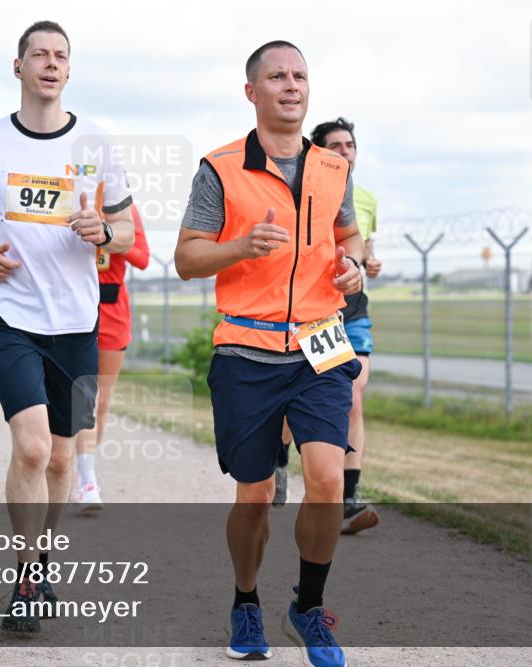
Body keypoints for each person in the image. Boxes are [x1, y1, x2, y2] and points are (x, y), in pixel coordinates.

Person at [0, 20, 134, 634]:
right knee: (32, 445)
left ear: (69, 71)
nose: (50, 64)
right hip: (9, 311)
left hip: (76, 319)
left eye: (61, 56)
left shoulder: (98, 143)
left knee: (61, 458)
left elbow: (126, 230)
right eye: (39, 55)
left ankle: (42, 555)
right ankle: (24, 576)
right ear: (17, 67)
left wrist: (103, 232)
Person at [174, 41, 363, 665]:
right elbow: (186, 259)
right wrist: (240, 247)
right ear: (251, 91)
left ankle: (308, 609)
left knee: (329, 480)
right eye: (277, 76)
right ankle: (246, 602)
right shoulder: (220, 168)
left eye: (301, 76)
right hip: (246, 347)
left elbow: (348, 234)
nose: (292, 85)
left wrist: (354, 266)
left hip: (321, 339)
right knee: (254, 493)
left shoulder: (333, 168)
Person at [271, 118, 383, 537]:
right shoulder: (303, 190)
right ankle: (280, 458)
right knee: (290, 400)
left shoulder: (366, 198)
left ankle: (348, 496)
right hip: (314, 312)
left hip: (352, 309)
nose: (344, 152)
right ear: (316, 153)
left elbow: (360, 242)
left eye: (350, 145)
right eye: (334, 145)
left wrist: (367, 262)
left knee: (352, 394)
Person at [74, 203, 150, 510]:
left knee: (100, 403)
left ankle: (83, 470)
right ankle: (87, 478)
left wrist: (108, 235)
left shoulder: (125, 211)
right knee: (80, 397)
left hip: (112, 312)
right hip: (73, 308)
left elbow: (143, 259)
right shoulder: (69, 199)